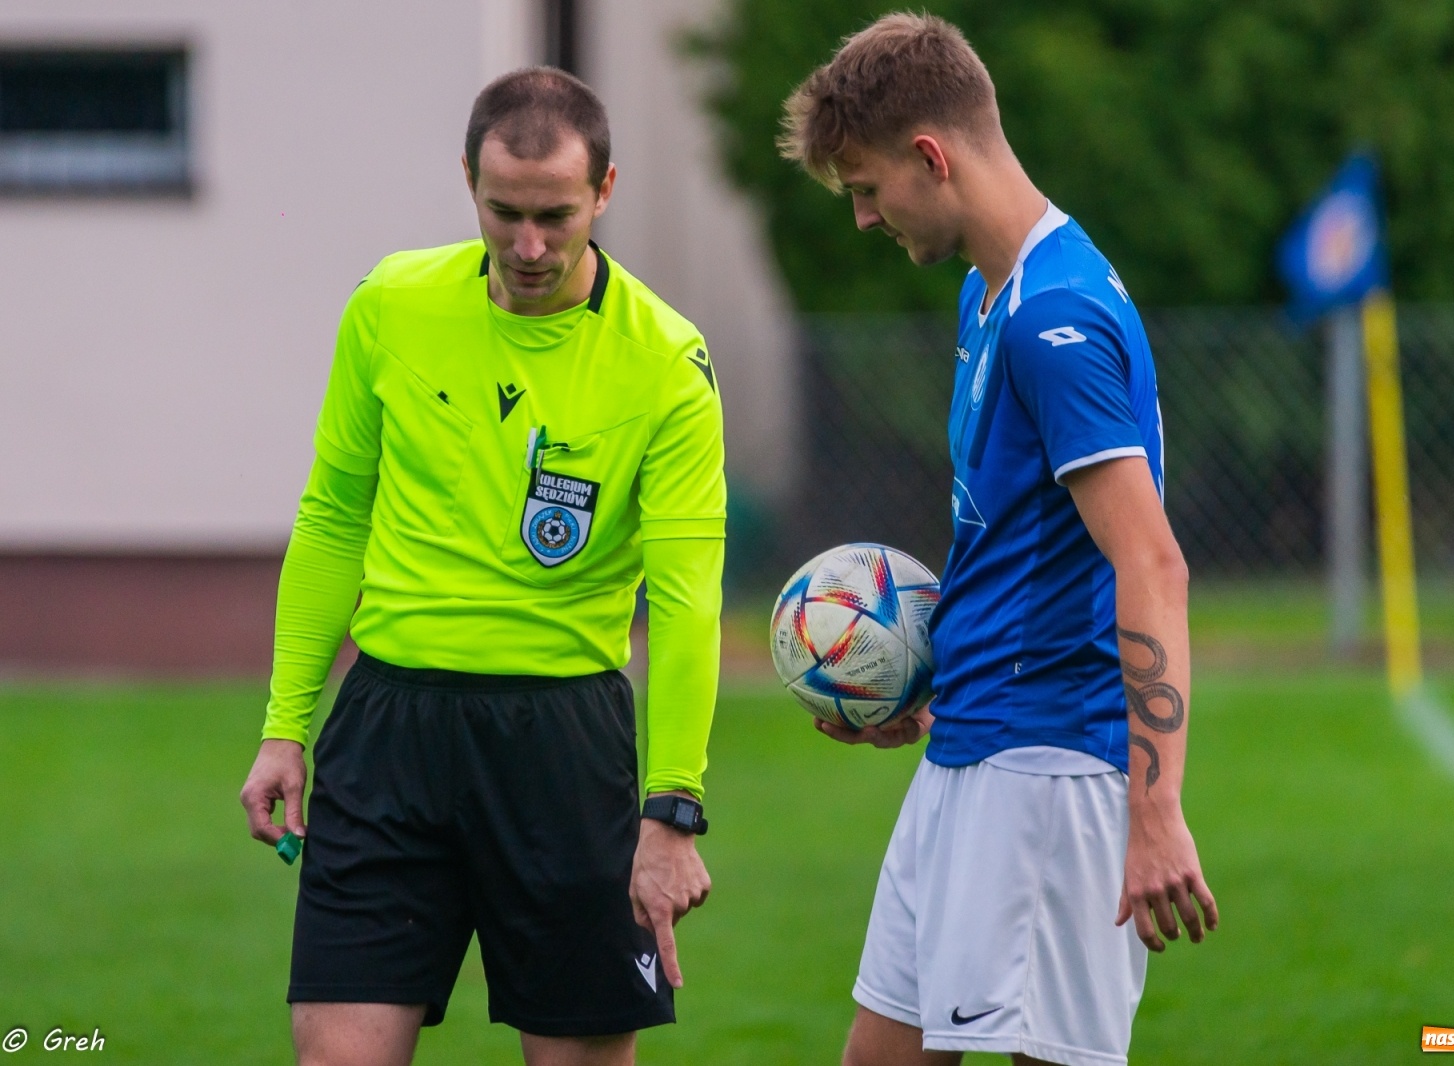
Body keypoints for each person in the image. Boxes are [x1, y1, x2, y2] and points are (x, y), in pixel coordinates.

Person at [237, 67, 724, 1066]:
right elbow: (333, 515)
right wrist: (287, 724)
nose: (530, 246)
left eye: (556, 215)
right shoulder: (390, 304)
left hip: (561, 744)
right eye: (504, 214)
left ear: (606, 190)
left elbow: (683, 593)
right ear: (467, 181)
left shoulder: (667, 362)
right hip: (386, 731)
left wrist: (672, 806)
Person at [780, 14, 1218, 1066]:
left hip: (1047, 776)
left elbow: (1150, 561)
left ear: (930, 156)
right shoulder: (994, 293)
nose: (862, 217)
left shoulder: (1051, 319)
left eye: (867, 187)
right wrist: (931, 686)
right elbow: (1020, 544)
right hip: (973, 749)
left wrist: (1154, 813)